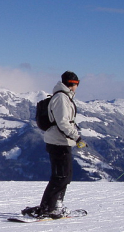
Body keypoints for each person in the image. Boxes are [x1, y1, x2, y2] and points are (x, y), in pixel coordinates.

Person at [23, 71, 86, 219]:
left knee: (65, 176)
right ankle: (47, 208)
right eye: (76, 84)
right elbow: (63, 122)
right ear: (71, 83)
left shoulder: (64, 97)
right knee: (60, 176)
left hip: (62, 141)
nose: (76, 87)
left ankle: (56, 206)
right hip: (57, 142)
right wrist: (77, 137)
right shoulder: (61, 98)